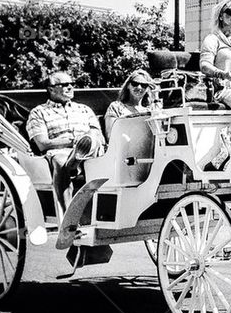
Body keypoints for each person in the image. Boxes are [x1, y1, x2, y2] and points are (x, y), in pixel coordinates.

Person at [25, 71, 105, 211]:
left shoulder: (84, 109)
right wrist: (73, 142)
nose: (70, 87)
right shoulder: (39, 112)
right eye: (65, 84)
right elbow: (43, 144)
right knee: (61, 161)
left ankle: (79, 155)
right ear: (51, 89)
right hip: (61, 152)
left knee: (93, 140)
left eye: (71, 84)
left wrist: (89, 140)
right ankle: (68, 214)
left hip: (92, 150)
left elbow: (97, 132)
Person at [104, 69, 154, 139]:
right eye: (135, 83)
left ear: (147, 89)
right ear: (128, 85)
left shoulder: (150, 111)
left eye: (144, 85)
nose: (139, 87)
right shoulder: (116, 107)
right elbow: (110, 135)